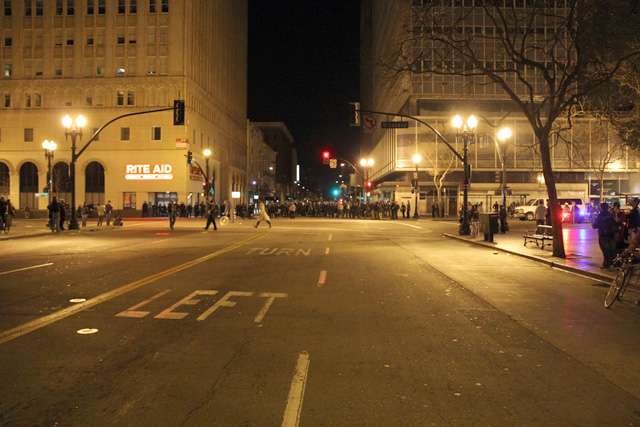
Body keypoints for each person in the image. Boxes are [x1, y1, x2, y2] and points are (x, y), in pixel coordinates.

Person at [593, 202, 619, 270]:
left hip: (603, 235)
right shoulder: (610, 215)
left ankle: (607, 264)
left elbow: (595, 225)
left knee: (605, 250)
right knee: (612, 249)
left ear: (601, 208)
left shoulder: (600, 215)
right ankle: (615, 263)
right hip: (611, 235)